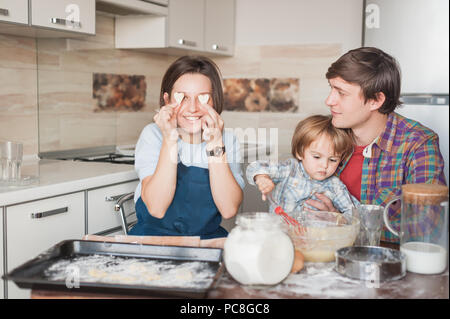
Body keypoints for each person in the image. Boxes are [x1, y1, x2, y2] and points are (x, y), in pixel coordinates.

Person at [305, 47, 446, 243]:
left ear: (376, 100)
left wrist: (344, 223)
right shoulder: (326, 134)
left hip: (387, 266)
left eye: (341, 93)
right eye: (331, 88)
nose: (329, 100)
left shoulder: (418, 143)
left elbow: (427, 226)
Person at [129, 55, 245, 239]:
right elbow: (157, 208)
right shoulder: (152, 135)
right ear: (167, 100)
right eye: (182, 97)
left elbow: (229, 208)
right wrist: (170, 138)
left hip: (207, 241)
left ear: (214, 100)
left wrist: (215, 143)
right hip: (152, 240)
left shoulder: (227, 140)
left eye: (203, 98)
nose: (192, 108)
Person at [246, 115, 359, 218]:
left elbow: (356, 214)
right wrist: (262, 177)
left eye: (333, 160)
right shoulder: (289, 170)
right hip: (281, 236)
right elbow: (256, 166)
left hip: (315, 239)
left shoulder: (335, 186)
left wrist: (338, 219)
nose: (324, 165)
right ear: (300, 152)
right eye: (316, 157)